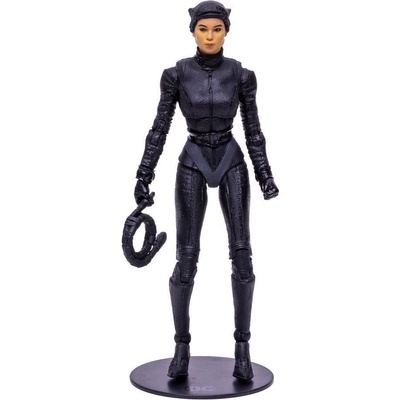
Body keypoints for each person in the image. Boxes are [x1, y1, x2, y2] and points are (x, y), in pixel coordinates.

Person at [134, 0, 279, 381]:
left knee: (242, 255)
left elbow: (253, 129)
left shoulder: (241, 75)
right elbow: (160, 126)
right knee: (186, 257)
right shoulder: (176, 75)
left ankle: (243, 349)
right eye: (203, 29)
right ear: (193, 32)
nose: (210, 36)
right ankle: (181, 347)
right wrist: (144, 172)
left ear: (226, 31)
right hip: (193, 159)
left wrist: (264, 173)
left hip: (230, 159)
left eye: (217, 29)